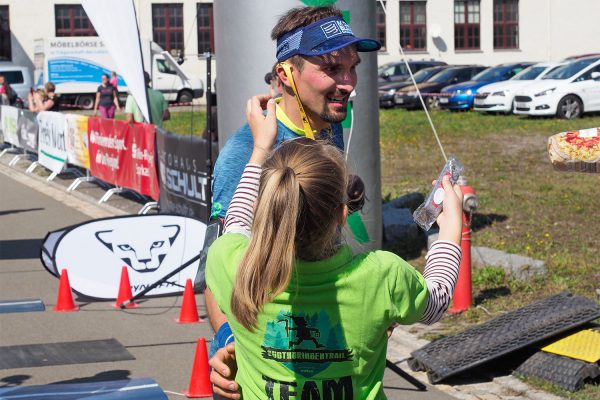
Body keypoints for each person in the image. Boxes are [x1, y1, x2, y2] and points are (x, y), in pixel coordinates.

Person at [205, 94, 463, 399]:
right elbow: (436, 301)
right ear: (343, 213)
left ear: (265, 206)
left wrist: (260, 147)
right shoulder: (382, 276)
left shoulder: (231, 264)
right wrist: (450, 229)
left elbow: (236, 220)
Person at [206, 6, 381, 360]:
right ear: (286, 74)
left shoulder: (326, 123)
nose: (347, 84)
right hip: (266, 354)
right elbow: (216, 270)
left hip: (325, 338)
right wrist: (227, 341)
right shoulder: (244, 154)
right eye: (332, 69)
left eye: (352, 68)